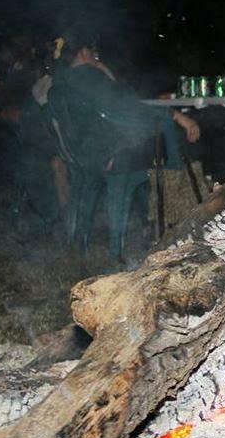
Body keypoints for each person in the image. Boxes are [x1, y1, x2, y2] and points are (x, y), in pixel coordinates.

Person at [47, 25, 200, 261]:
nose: (96, 57)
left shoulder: (59, 83)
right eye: (94, 53)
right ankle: (173, 192)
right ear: (84, 53)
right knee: (167, 131)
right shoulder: (91, 78)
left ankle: (81, 243)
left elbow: (117, 102)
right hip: (108, 156)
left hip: (81, 157)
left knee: (151, 143)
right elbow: (129, 104)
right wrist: (179, 116)